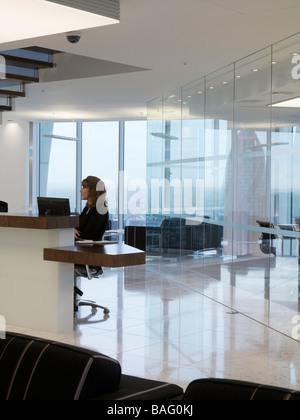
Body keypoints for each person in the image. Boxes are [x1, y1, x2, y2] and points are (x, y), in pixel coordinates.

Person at [75, 176, 109, 241]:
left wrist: (72, 233)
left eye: (84, 187)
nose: (80, 190)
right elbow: (77, 228)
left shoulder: (100, 209)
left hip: (93, 249)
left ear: (93, 190)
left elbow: (88, 235)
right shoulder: (87, 208)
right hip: (83, 247)